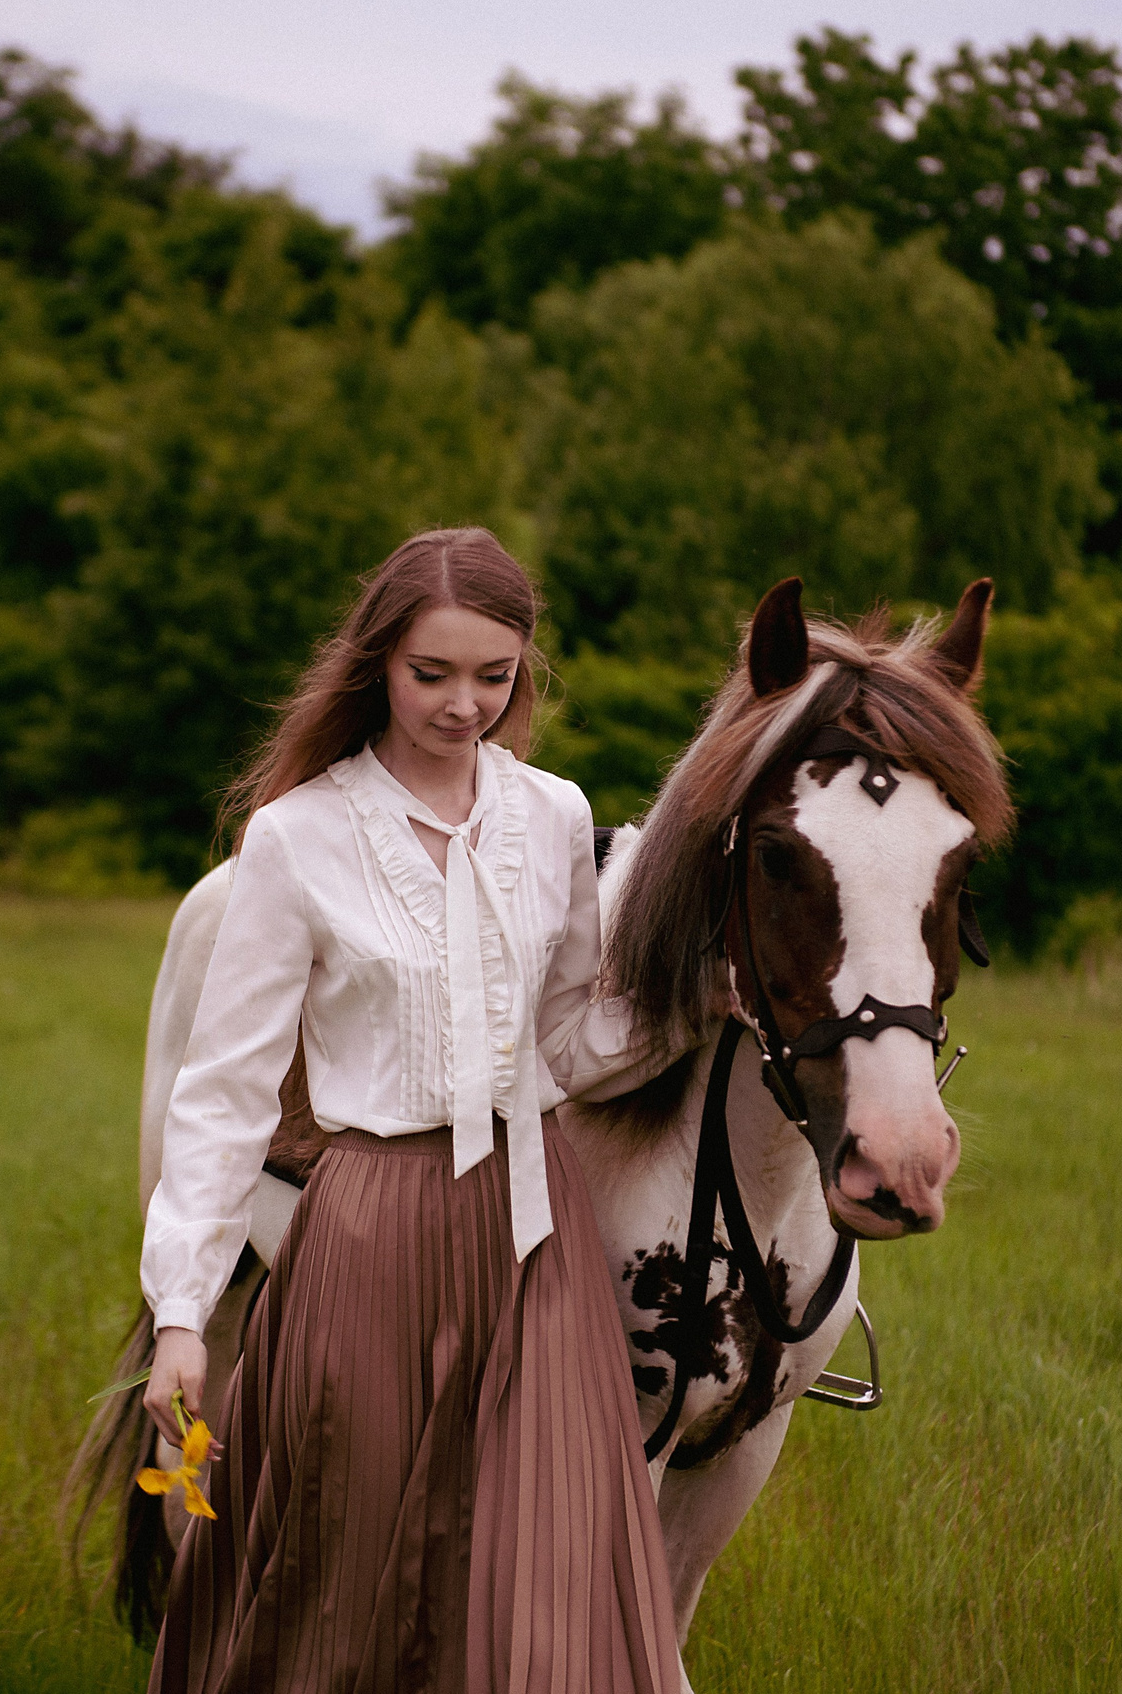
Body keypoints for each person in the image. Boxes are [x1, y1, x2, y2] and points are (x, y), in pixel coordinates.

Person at [138, 527, 681, 1692]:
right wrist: (181, 1310)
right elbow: (224, 1092)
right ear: (377, 661)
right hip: (371, 1228)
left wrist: (699, 1003)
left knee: (552, 1562)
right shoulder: (299, 837)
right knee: (346, 1570)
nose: (464, 704)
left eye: (495, 675)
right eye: (431, 673)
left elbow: (564, 1037)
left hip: (533, 1230)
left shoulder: (551, 814)